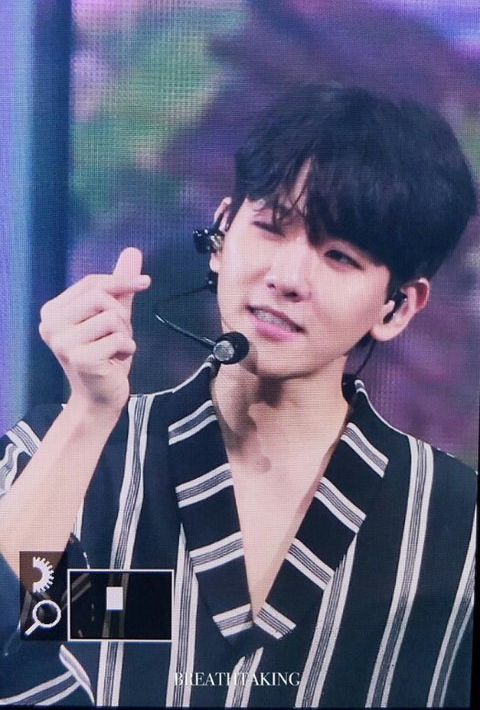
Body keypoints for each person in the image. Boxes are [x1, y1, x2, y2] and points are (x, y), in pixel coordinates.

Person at [0, 84, 476, 708]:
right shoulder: (65, 456)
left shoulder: (457, 523)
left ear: (397, 307)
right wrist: (89, 413)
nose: (287, 277)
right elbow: (23, 637)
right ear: (221, 233)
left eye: (339, 255)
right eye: (272, 228)